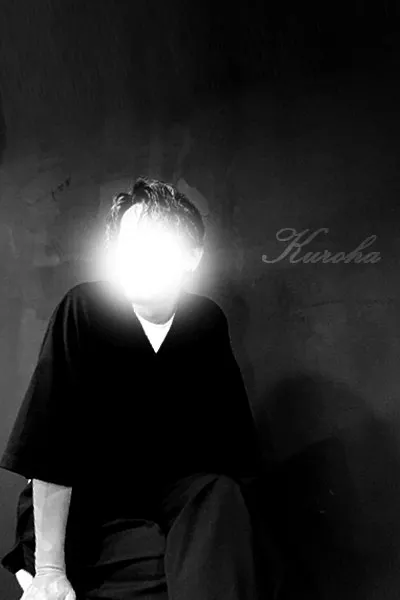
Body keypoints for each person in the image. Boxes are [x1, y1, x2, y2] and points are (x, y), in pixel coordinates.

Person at [0, 177, 279, 600]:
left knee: (222, 504)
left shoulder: (206, 321)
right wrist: (50, 571)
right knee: (165, 573)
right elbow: (48, 447)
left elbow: (232, 448)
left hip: (169, 499)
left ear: (192, 256)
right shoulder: (84, 309)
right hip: (89, 505)